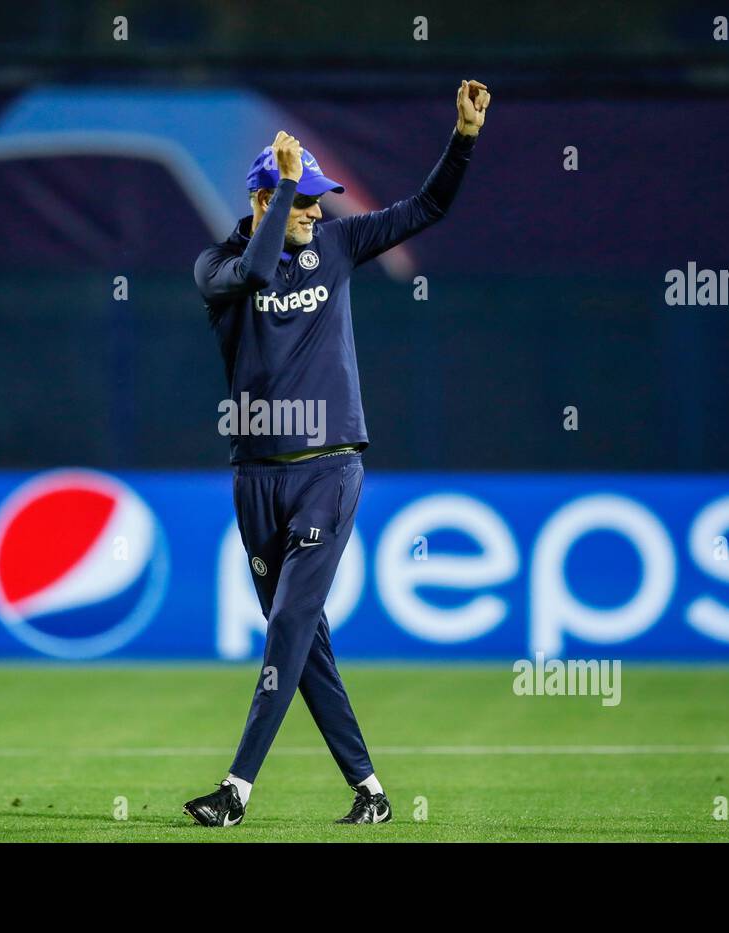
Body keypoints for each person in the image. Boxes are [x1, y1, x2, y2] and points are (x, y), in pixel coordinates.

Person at [184, 80, 490, 827]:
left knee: (288, 626)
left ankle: (236, 790)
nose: (316, 211)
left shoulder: (337, 243)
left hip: (329, 467)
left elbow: (427, 209)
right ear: (262, 203)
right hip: (255, 477)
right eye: (301, 199)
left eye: (317, 198)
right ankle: (372, 791)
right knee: (306, 643)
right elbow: (254, 275)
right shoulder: (216, 267)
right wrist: (283, 189)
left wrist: (463, 139)